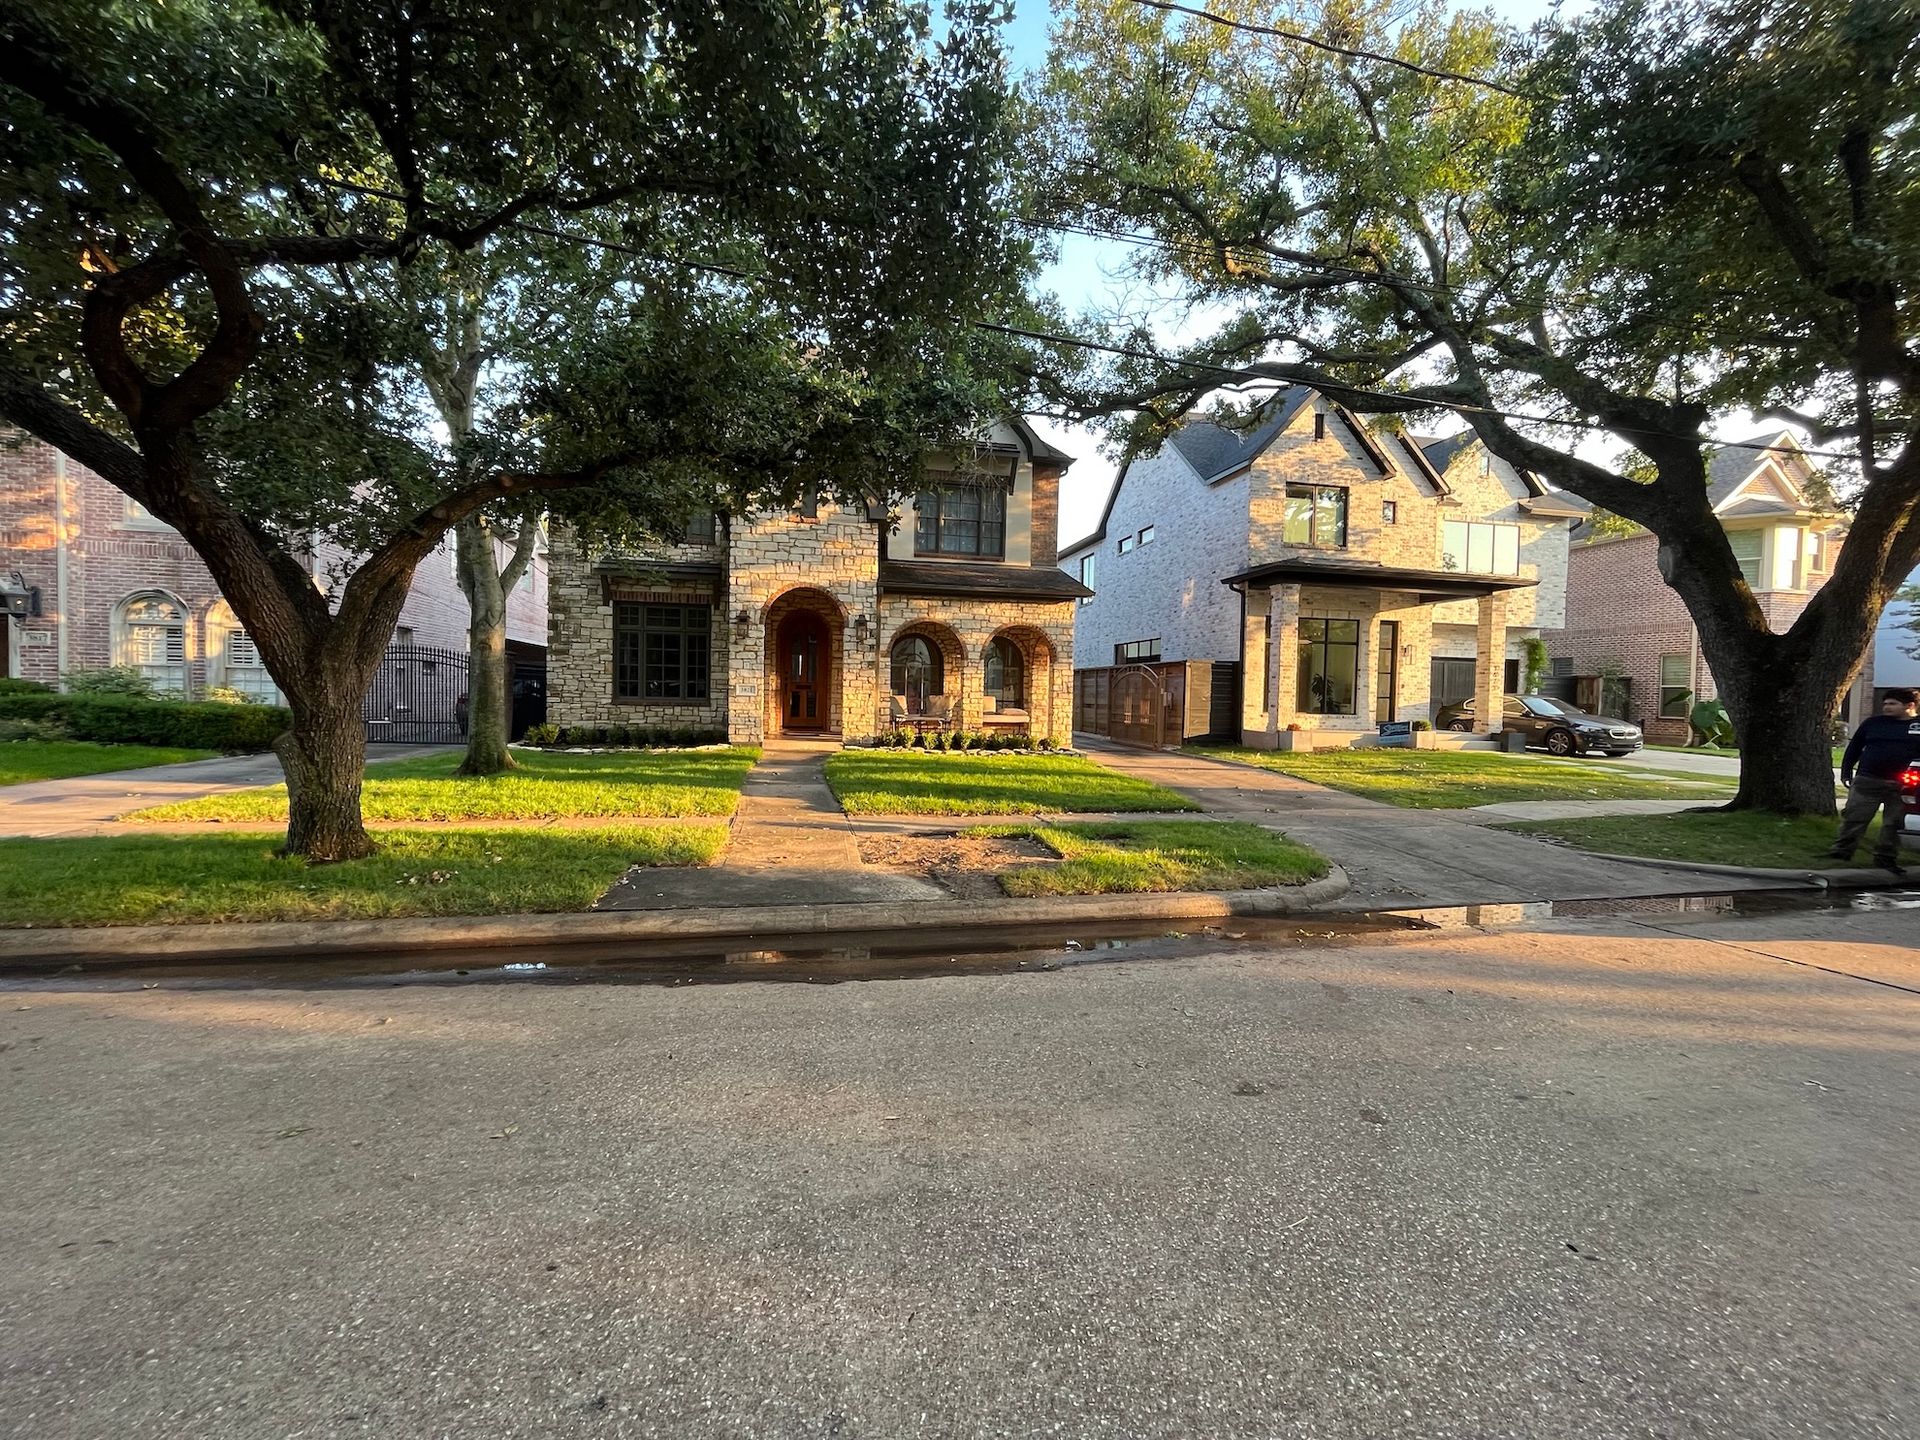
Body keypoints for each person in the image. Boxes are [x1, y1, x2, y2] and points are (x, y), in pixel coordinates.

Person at [1829, 689, 1920, 872]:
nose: (1886, 707)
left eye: (1892, 704)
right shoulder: (1873, 723)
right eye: (1885, 703)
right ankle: (1842, 851)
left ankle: (1886, 858)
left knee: (1893, 823)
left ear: (1910, 705)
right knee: (1854, 817)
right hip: (1868, 779)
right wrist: (1846, 771)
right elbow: (1854, 747)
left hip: (1903, 785)